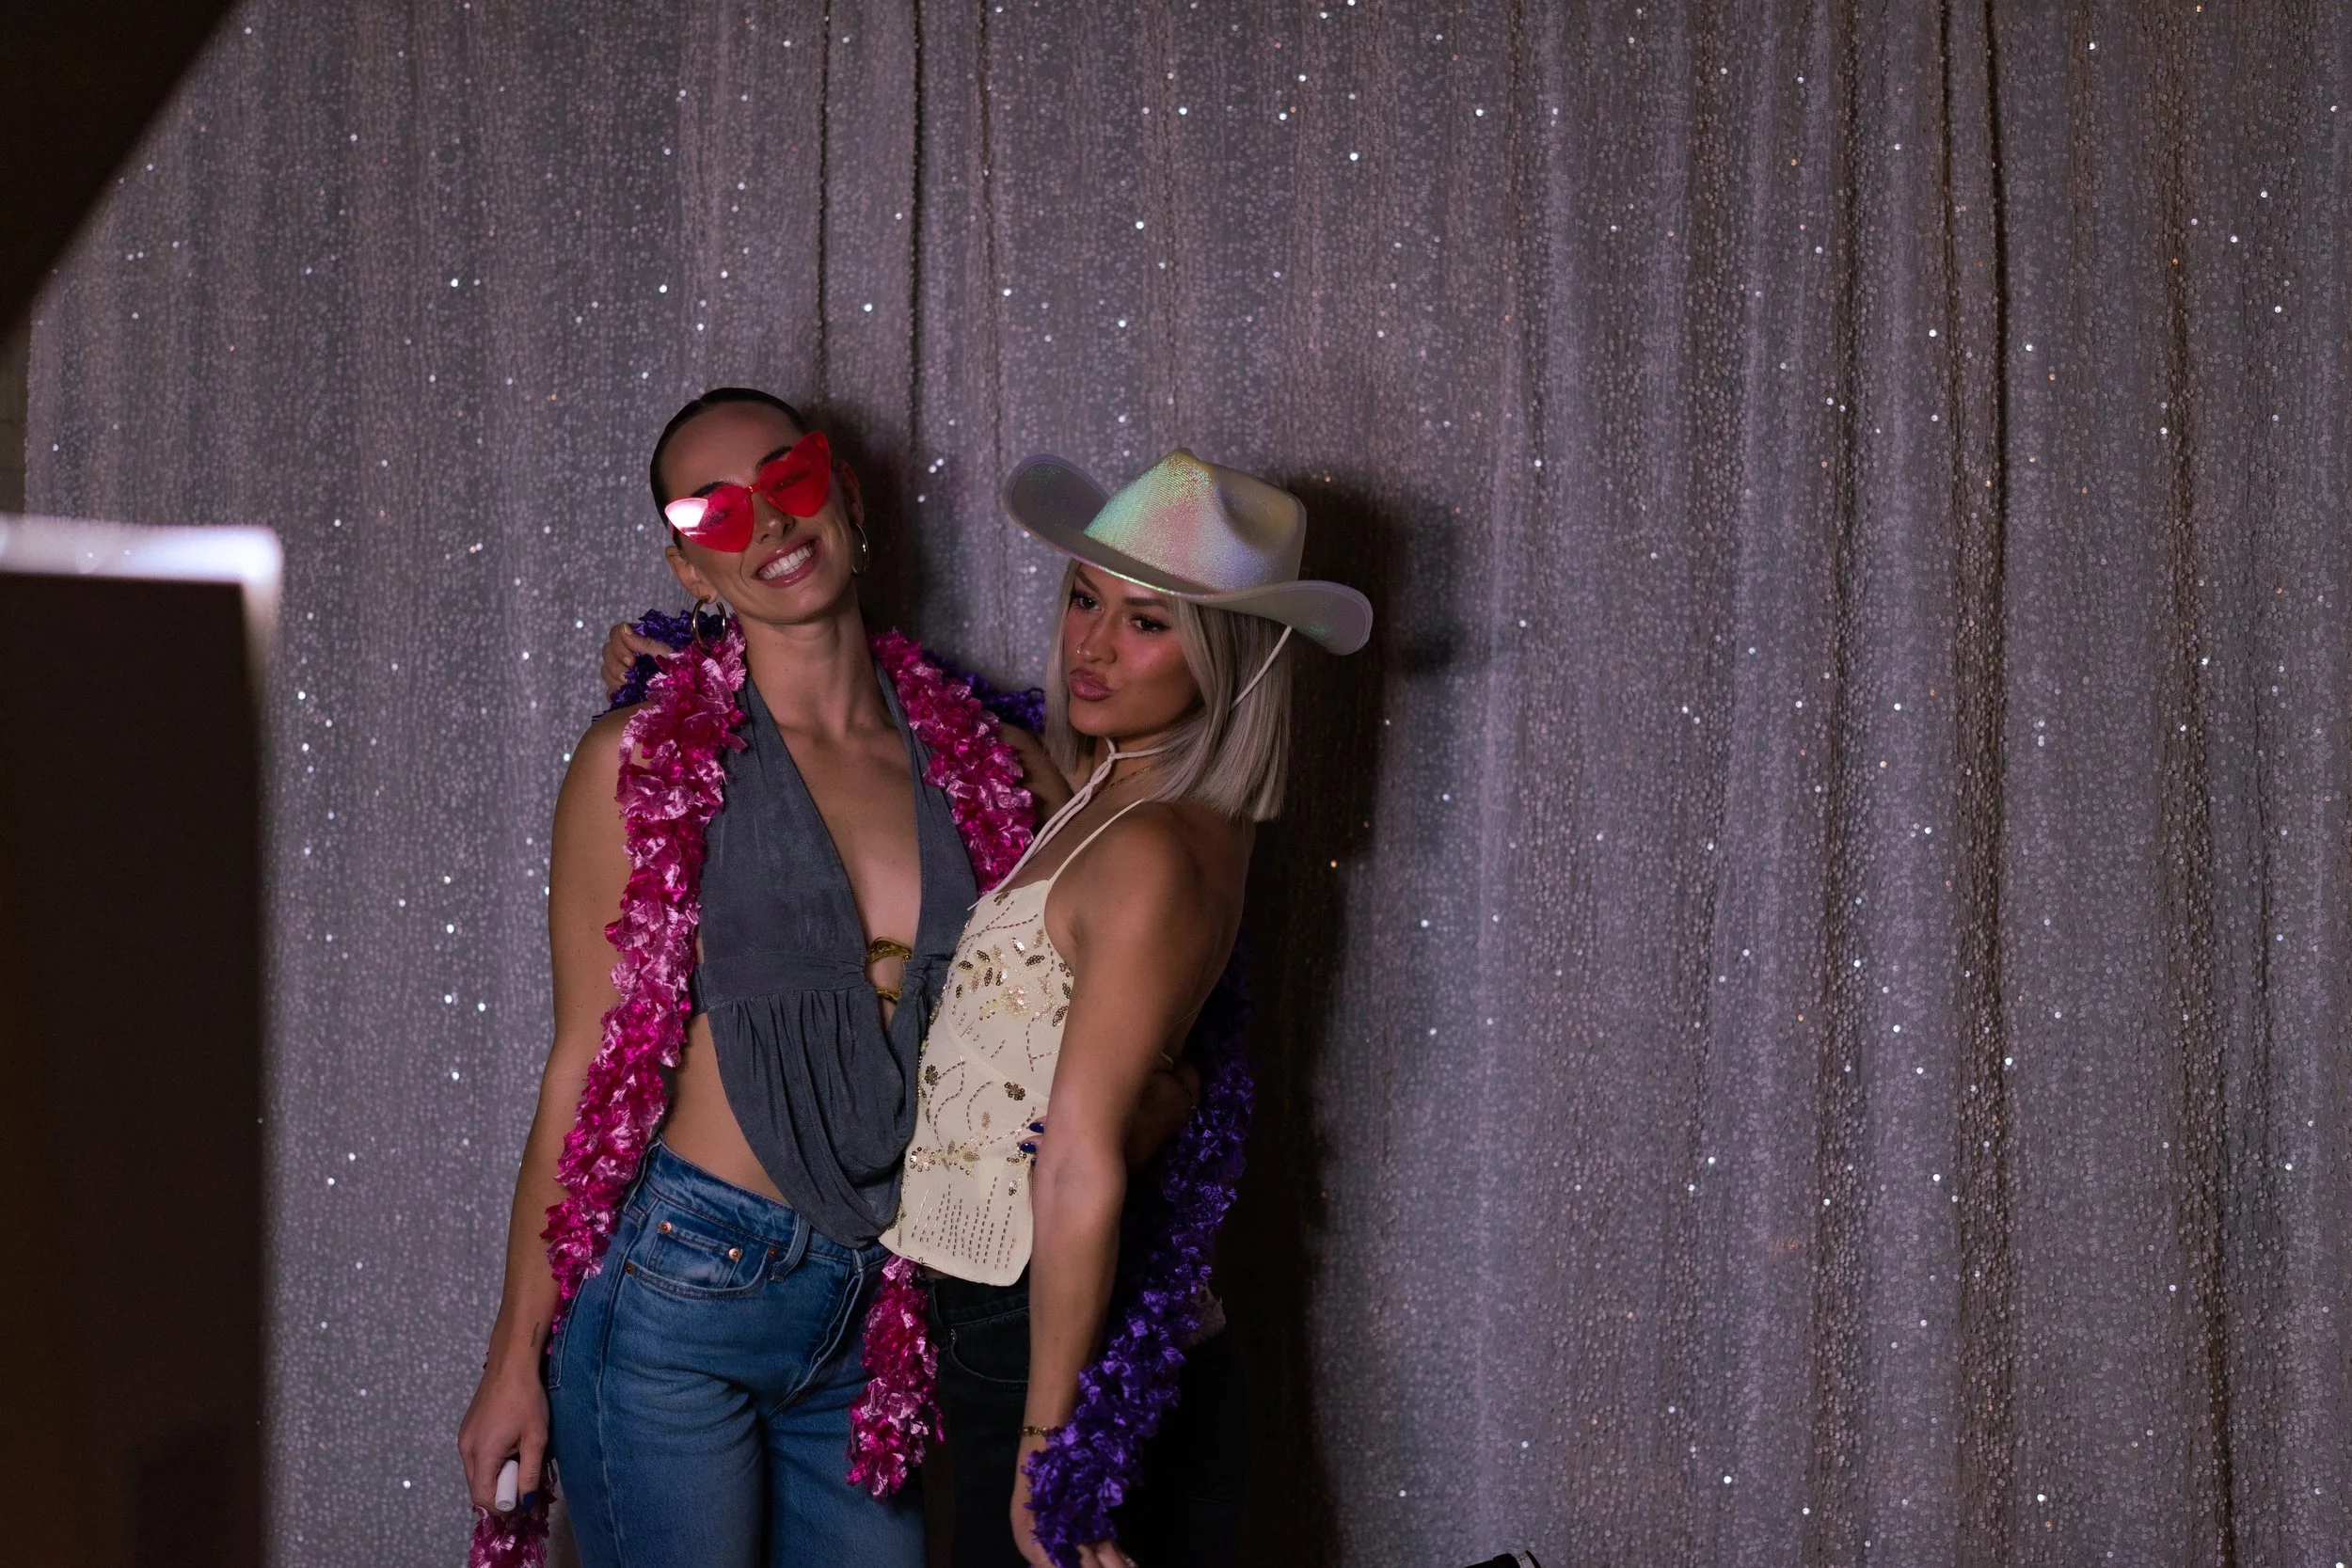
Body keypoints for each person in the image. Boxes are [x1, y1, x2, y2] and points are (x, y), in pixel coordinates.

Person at [456, 388, 1073, 1568]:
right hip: (678, 1294)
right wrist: (511, 1355)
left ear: (845, 498)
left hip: (878, 1315)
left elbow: (1105, 933)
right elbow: (583, 1060)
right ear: (689, 567)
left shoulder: (985, 759)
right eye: (715, 510)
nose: (767, 526)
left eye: (789, 482)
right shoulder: (638, 759)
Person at [880, 449, 1372, 1568]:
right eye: (1083, 597)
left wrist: (1057, 1459)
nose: (1091, 643)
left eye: (1148, 623)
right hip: (1020, 1309)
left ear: (1230, 657)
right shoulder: (1114, 791)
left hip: (1051, 1331)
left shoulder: (1154, 845)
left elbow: (1080, 1158)